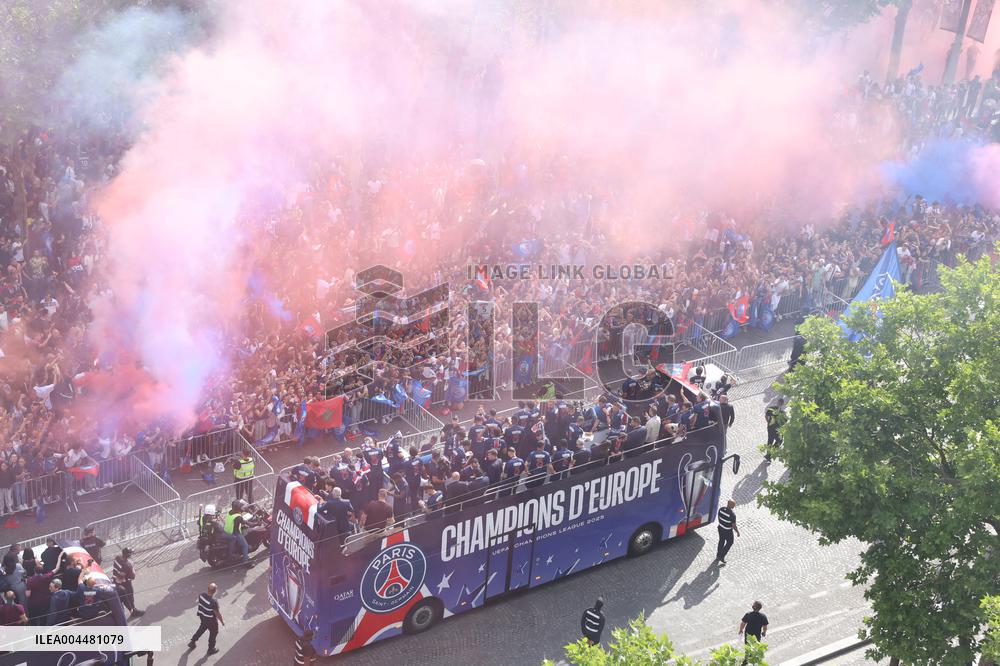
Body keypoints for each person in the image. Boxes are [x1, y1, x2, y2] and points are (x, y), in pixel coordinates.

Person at [189, 583, 223, 656]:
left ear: (208, 589)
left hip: (202, 616)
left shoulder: (201, 595)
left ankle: (192, 642)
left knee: (202, 628)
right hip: (211, 620)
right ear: (215, 591)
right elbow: (217, 614)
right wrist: (222, 622)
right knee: (213, 633)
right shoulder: (213, 602)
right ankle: (211, 649)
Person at [224, 500, 250, 565]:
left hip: (227, 531)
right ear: (237, 508)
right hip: (235, 533)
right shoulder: (238, 517)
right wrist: (257, 523)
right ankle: (245, 561)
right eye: (240, 507)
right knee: (245, 545)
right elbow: (248, 523)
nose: (241, 508)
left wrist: (244, 510)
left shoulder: (230, 512)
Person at [716, 499, 739, 564]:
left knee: (721, 540)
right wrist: (737, 532)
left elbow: (719, 517)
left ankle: (718, 555)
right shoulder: (732, 515)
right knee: (730, 542)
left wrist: (722, 523)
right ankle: (722, 555)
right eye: (734, 505)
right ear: (731, 505)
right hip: (727, 530)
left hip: (720, 528)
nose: (734, 506)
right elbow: (734, 525)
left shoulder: (721, 509)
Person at [764, 399, 785, 463]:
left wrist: (768, 422)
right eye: (779, 403)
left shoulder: (780, 412)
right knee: (778, 440)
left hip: (772, 428)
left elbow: (766, 416)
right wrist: (769, 423)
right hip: (773, 429)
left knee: (771, 441)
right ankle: (769, 454)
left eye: (780, 403)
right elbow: (766, 416)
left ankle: (768, 455)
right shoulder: (773, 410)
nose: (779, 404)